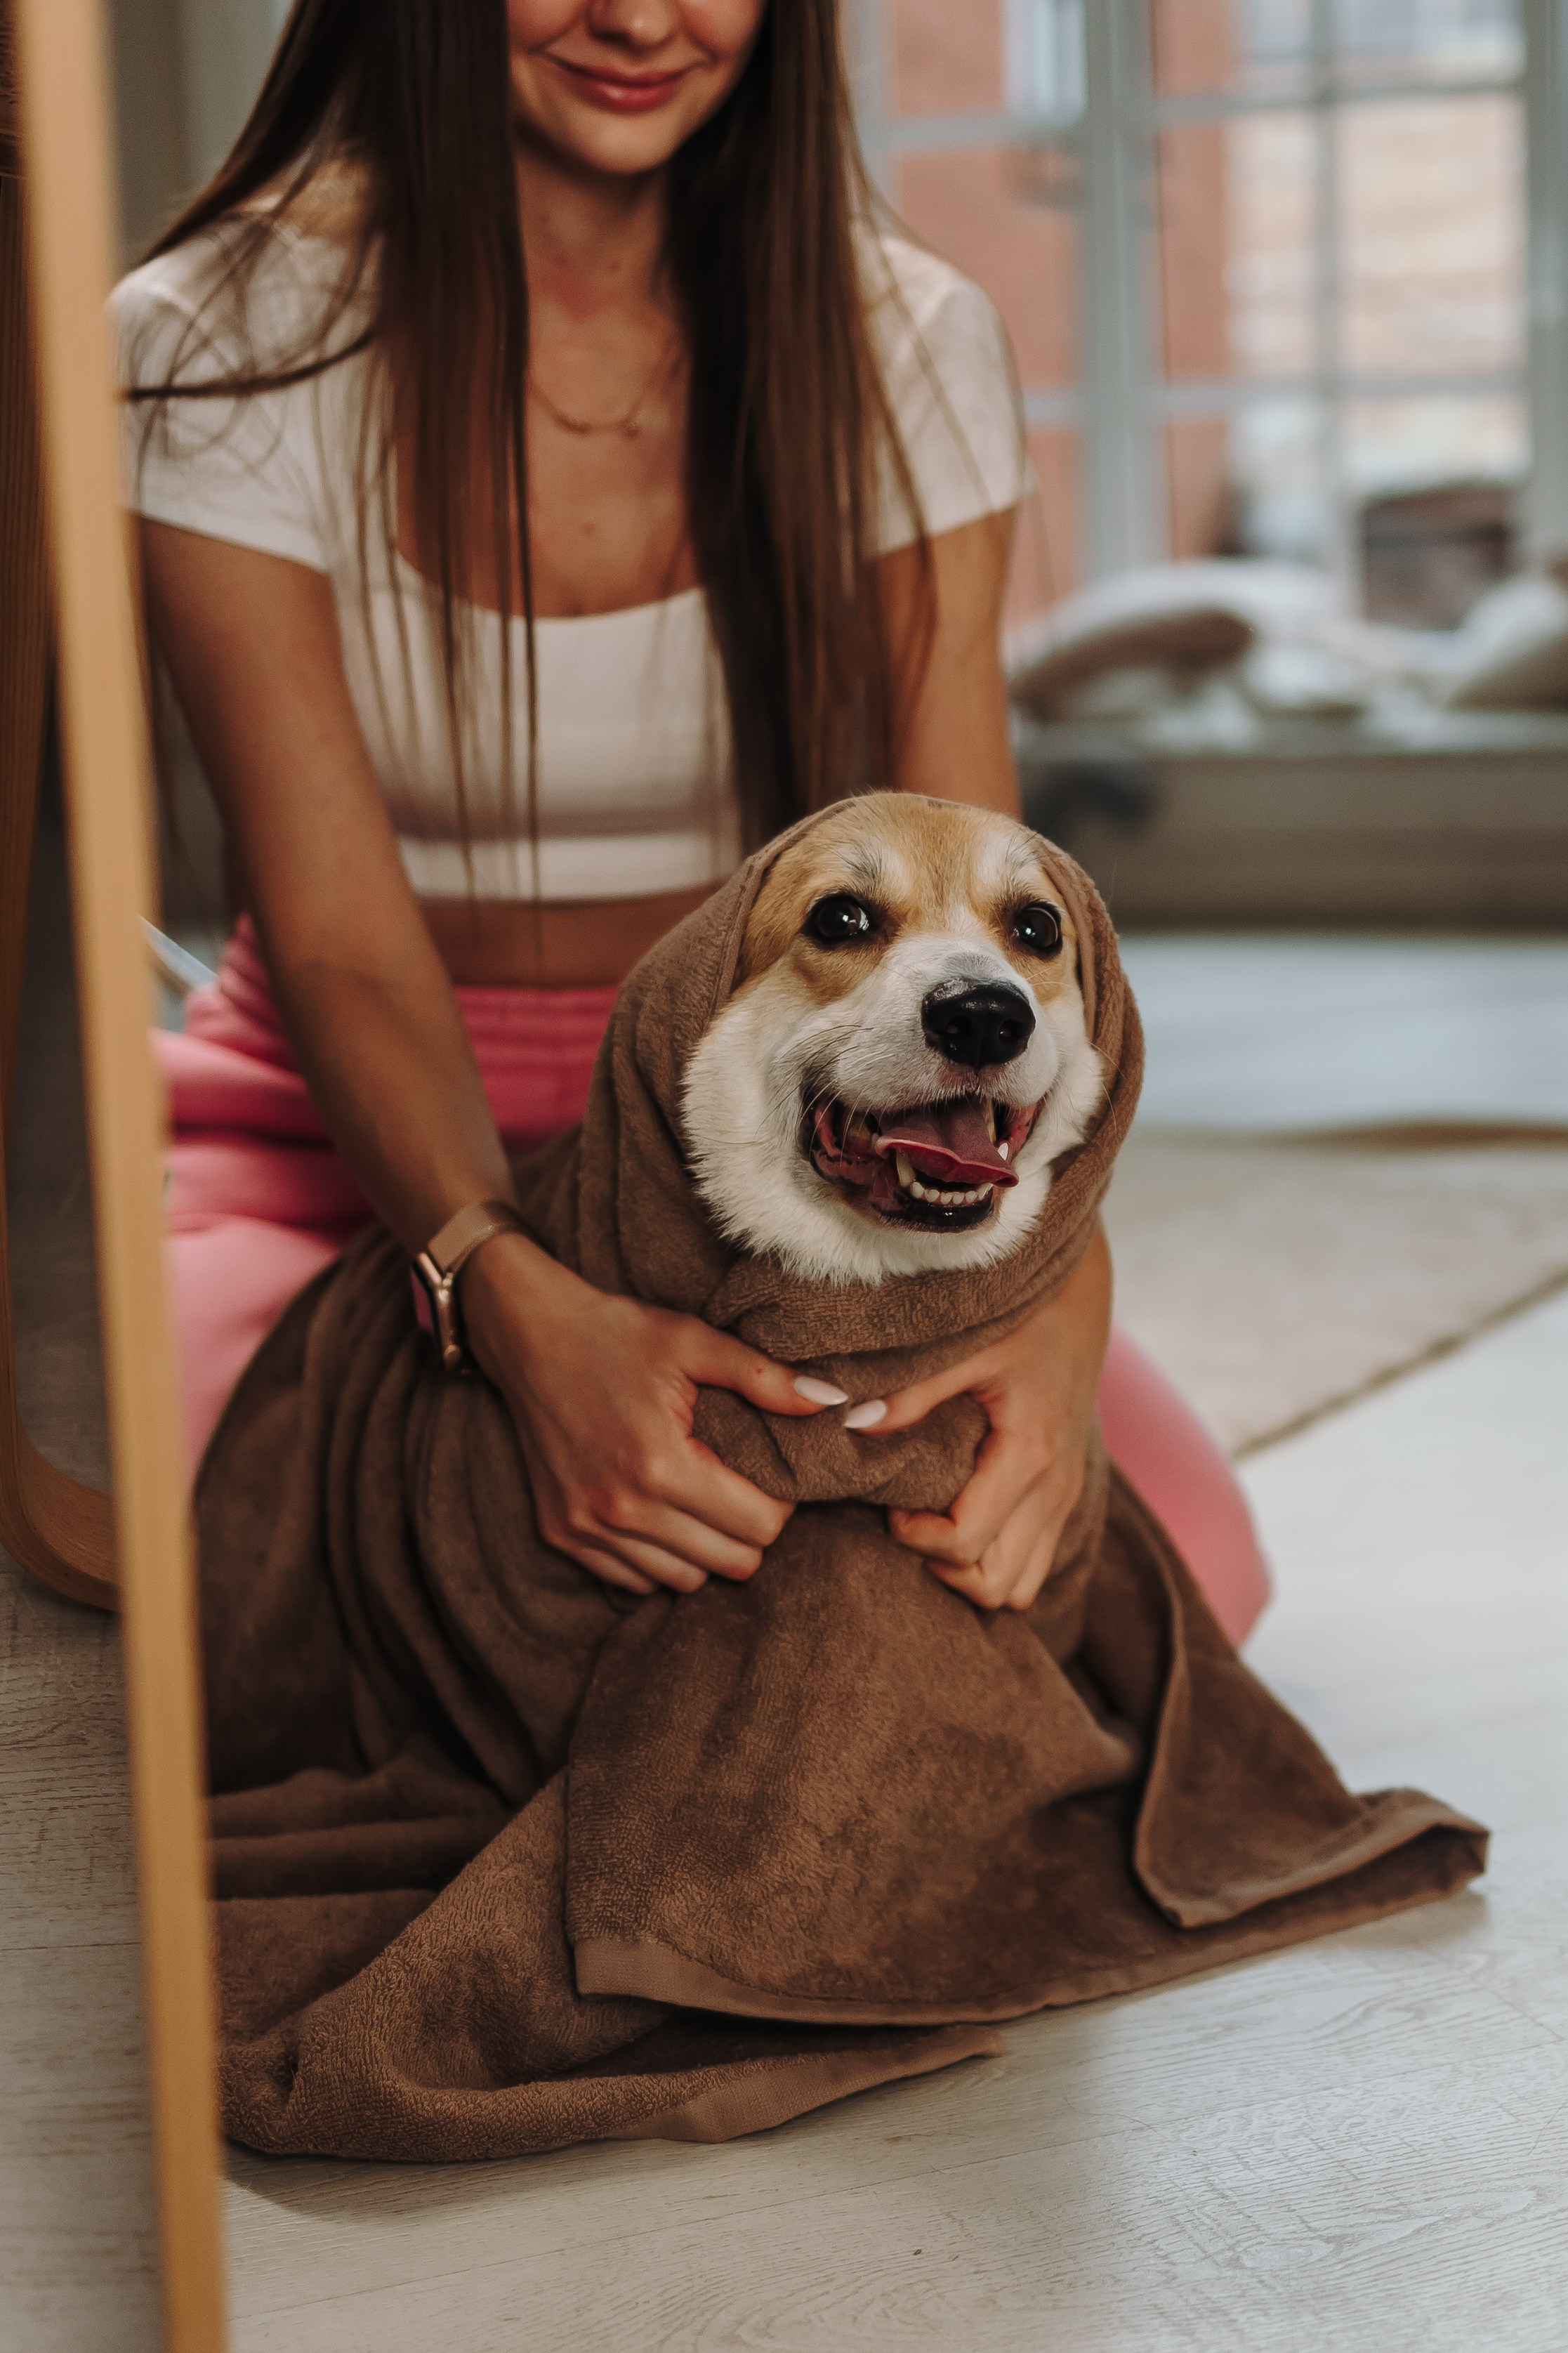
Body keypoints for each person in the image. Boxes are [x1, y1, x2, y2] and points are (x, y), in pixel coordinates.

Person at [112, 0, 1268, 1639]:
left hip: (789, 1123)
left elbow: (988, 921)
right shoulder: (214, 331)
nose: (645, 17)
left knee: (1174, 1581)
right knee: (242, 1612)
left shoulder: (904, 337)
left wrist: (1059, 1294)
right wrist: (503, 1298)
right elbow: (336, 937)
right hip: (337, 1128)